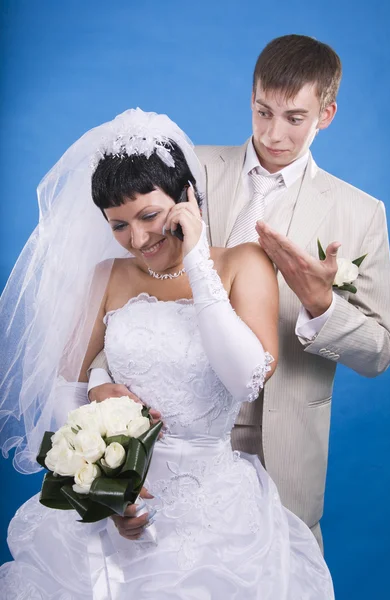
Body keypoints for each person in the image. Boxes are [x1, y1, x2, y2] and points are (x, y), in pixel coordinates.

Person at [0, 109, 334, 598]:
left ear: (186, 199)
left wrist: (198, 260)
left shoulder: (243, 264)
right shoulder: (107, 278)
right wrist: (107, 490)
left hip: (217, 509)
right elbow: (61, 390)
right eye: (118, 225)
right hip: (127, 504)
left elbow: (246, 379)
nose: (137, 239)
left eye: (149, 216)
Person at [88, 35, 390, 549]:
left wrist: (323, 306)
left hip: (285, 446)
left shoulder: (361, 213)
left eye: (294, 118)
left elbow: (381, 352)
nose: (274, 133)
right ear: (250, 99)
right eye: (262, 112)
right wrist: (99, 378)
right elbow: (125, 300)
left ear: (327, 114)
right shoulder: (184, 170)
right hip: (166, 442)